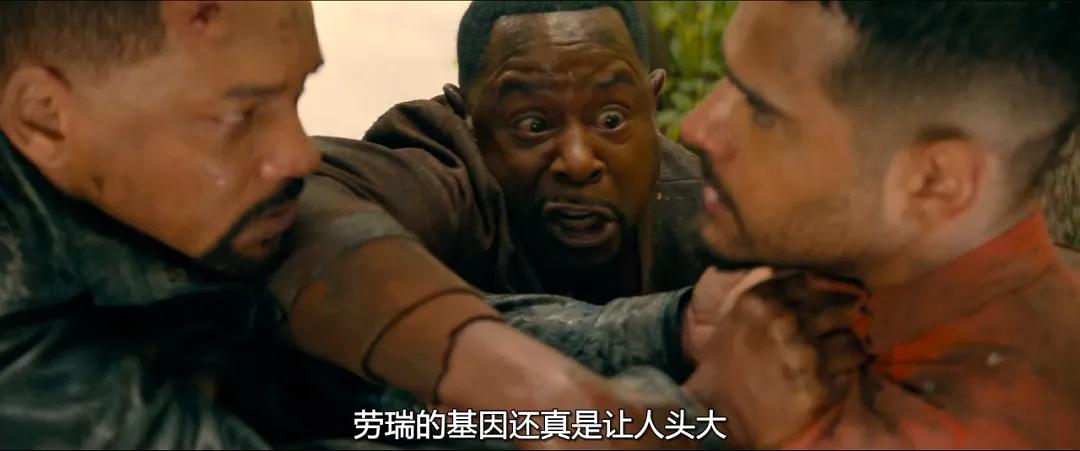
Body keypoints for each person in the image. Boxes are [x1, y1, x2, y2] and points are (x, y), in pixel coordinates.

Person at [0, 2, 703, 448]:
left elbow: (370, 384)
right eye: (240, 115)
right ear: (44, 118)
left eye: (296, 96)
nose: (297, 154)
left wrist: (673, 331)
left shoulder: (164, 220)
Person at [679, 1, 1080, 447]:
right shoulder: (847, 284)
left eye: (761, 111)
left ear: (934, 181)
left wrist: (708, 411)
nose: (695, 128)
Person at [309, 0, 708, 305]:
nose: (578, 161)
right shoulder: (446, 175)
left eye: (610, 119)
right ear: (467, 121)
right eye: (533, 125)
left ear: (652, 104)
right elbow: (306, 200)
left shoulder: (704, 206)